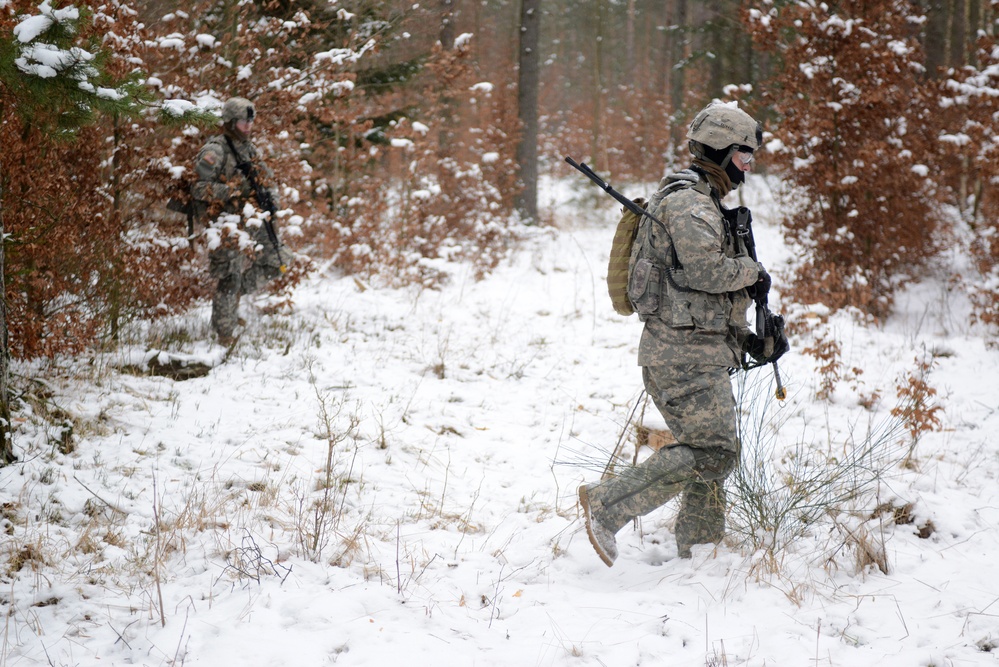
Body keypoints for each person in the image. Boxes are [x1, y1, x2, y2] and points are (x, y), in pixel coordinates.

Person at [578, 101, 788, 564]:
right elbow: (705, 271)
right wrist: (751, 271)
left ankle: (702, 550)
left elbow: (700, 296)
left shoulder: (703, 201)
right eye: (744, 156)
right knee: (712, 453)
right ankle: (607, 504)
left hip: (697, 351)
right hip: (682, 356)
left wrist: (752, 341)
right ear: (721, 151)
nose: (748, 167)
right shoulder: (690, 204)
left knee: (713, 452)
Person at [191, 96, 286, 345]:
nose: (248, 127)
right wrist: (234, 190)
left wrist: (271, 201)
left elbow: (266, 178)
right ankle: (225, 331)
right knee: (229, 275)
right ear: (231, 122)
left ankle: (230, 304)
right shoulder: (216, 150)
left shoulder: (249, 148)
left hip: (251, 218)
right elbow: (199, 189)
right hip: (224, 221)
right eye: (244, 122)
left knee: (279, 260)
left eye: (251, 122)